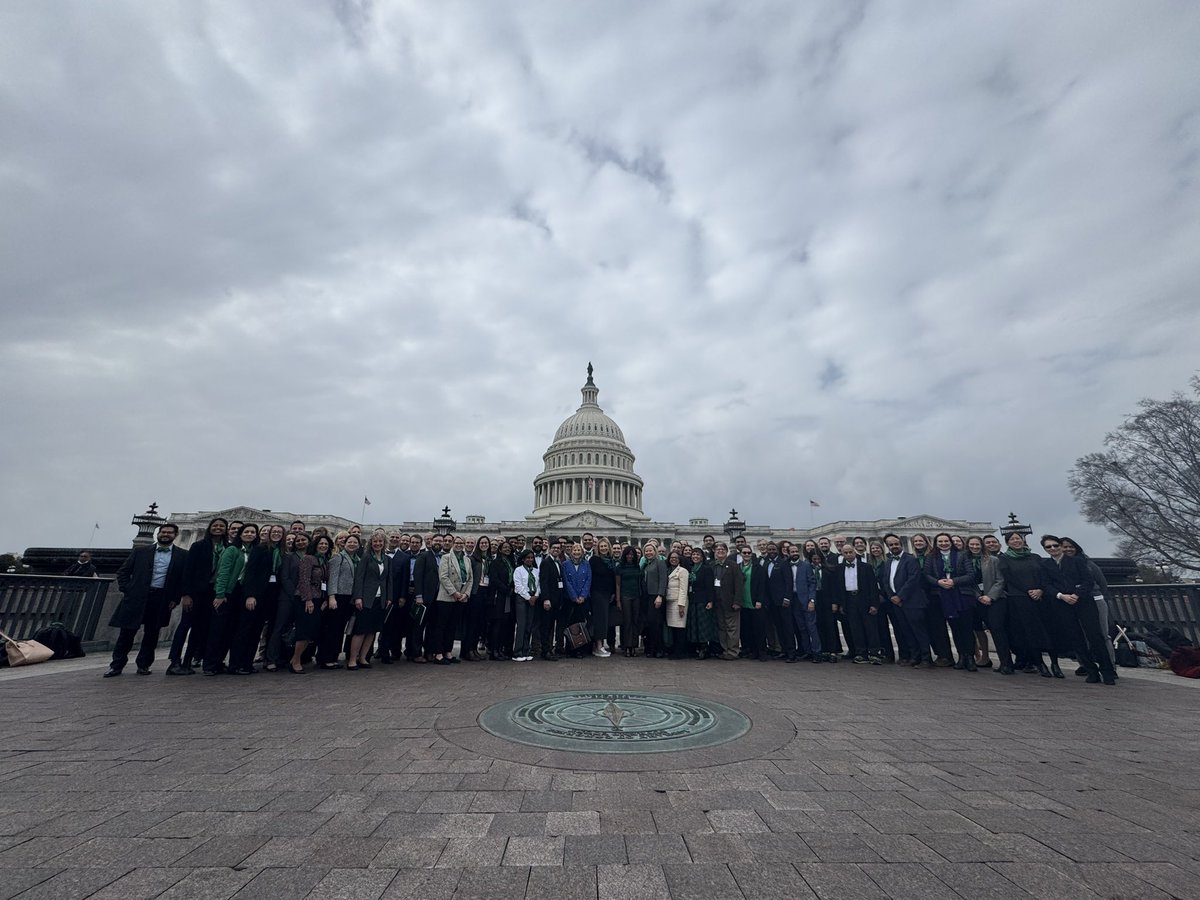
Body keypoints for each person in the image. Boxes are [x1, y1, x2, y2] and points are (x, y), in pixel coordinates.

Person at [104, 523, 187, 677]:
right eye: (163, 532)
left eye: (169, 532)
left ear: (175, 535)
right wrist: (127, 589)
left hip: (161, 597)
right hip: (137, 596)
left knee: (152, 634)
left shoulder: (182, 555)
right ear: (158, 533)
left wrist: (175, 599)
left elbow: (182, 580)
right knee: (126, 634)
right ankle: (116, 665)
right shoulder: (140, 551)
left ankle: (144, 665)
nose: (165, 534)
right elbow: (123, 572)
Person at [1041, 535, 1116, 685]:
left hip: (1084, 602)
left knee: (1095, 636)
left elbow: (1088, 581)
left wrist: (1076, 594)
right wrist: (1061, 596)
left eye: (1055, 545)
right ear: (1045, 549)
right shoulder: (1045, 565)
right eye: (1048, 547)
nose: (1053, 549)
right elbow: (1046, 585)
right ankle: (1091, 670)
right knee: (1075, 637)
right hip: (1062, 603)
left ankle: (1107, 671)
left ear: (1061, 546)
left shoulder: (1077, 561)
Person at [168, 517, 227, 675]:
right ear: (210, 528)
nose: (218, 528)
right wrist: (186, 594)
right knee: (185, 625)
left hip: (212, 592)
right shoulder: (198, 546)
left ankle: (188, 661)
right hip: (195, 592)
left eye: (222, 526)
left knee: (200, 628)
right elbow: (188, 571)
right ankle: (174, 661)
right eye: (215, 526)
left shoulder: (227, 547)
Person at [202, 522, 259, 676]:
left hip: (241, 593)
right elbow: (223, 573)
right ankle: (210, 664)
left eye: (252, 532)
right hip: (227, 592)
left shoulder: (253, 551)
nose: (249, 534)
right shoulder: (232, 550)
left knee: (233, 629)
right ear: (240, 534)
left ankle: (228, 663)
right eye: (246, 532)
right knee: (218, 629)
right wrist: (220, 594)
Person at [994, 532, 1054, 677]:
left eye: (1018, 538)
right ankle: (1038, 662)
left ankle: (1054, 663)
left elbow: (1043, 576)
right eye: (1012, 539)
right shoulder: (1004, 559)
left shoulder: (1035, 557)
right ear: (1007, 543)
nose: (1016, 541)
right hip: (1019, 598)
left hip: (1039, 597)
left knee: (1047, 629)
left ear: (1023, 540)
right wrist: (1028, 590)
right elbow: (1009, 579)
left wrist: (1040, 589)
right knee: (1028, 631)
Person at [1059, 537, 1117, 675]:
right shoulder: (1060, 565)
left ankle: (1110, 666)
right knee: (1079, 636)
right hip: (1071, 601)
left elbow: (1102, 583)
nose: (1068, 549)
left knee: (1102, 634)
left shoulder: (1088, 564)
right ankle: (1086, 664)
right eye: (1064, 547)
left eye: (1070, 546)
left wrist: (1100, 597)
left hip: (1094, 599)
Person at [923, 533, 978, 671]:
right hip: (943, 596)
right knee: (955, 628)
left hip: (962, 594)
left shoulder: (962, 555)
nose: (943, 543)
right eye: (940, 541)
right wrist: (938, 582)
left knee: (966, 627)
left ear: (950, 542)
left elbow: (971, 575)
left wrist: (954, 581)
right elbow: (926, 575)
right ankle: (961, 656)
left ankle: (970, 657)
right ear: (936, 543)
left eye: (946, 541)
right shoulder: (931, 557)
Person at [881, 533, 933, 668]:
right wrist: (892, 596)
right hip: (896, 603)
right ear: (887, 547)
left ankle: (926, 658)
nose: (894, 546)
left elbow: (913, 579)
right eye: (891, 545)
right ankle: (914, 656)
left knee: (919, 631)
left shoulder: (910, 559)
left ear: (901, 544)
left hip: (912, 601)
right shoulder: (888, 562)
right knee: (906, 631)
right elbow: (886, 581)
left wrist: (900, 596)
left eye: (896, 544)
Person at [832, 542, 883, 664]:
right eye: (846, 553)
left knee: (870, 627)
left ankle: (874, 653)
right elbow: (837, 588)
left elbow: (873, 586)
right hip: (849, 600)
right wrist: (840, 604)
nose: (849, 554)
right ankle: (861, 653)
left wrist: (874, 604)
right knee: (855, 628)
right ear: (842, 554)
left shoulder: (866, 567)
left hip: (864, 598)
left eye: (850, 552)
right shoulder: (839, 569)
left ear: (855, 552)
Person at [266, 530, 310, 672]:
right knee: (280, 627)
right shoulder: (289, 557)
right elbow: (284, 578)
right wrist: (295, 594)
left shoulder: (311, 557)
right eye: (298, 540)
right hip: (287, 597)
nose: (300, 542)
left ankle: (286, 658)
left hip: (304, 598)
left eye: (303, 540)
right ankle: (271, 658)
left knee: (295, 630)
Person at [349, 531, 391, 670]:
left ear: (384, 543)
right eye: (375, 541)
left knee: (372, 631)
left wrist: (389, 597)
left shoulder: (386, 559)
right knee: (361, 630)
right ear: (371, 543)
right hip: (366, 598)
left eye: (380, 541)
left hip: (380, 599)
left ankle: (363, 657)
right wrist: (358, 597)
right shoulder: (366, 557)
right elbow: (359, 578)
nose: (378, 544)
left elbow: (387, 580)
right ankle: (352, 659)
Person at [317, 532, 360, 670]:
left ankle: (333, 657)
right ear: (344, 544)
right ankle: (325, 658)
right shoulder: (338, 557)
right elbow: (332, 578)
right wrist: (331, 597)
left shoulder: (356, 559)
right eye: (349, 542)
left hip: (349, 597)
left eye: (355, 542)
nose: (352, 544)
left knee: (339, 628)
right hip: (338, 596)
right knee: (332, 628)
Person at [289, 534, 329, 673]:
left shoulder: (323, 560)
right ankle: (296, 660)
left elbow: (324, 582)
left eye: (326, 544)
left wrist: (324, 599)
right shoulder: (308, 559)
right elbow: (304, 580)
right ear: (315, 545)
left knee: (310, 631)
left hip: (318, 599)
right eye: (321, 544)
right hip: (306, 599)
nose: (323, 546)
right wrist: (308, 599)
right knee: (304, 631)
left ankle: (296, 658)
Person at [432, 535, 472, 664]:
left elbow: (470, 579)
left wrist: (466, 594)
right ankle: (438, 653)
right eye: (457, 543)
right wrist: (454, 592)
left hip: (461, 598)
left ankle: (448, 652)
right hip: (446, 597)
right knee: (441, 625)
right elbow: (443, 577)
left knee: (452, 626)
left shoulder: (467, 560)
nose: (459, 545)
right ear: (453, 544)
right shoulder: (446, 557)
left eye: (461, 543)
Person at [966, 536, 1004, 669]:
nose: (975, 547)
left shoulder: (992, 560)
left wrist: (990, 596)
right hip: (975, 598)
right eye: (972, 545)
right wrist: (978, 596)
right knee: (977, 628)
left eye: (977, 544)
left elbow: (1000, 580)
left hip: (991, 598)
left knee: (996, 628)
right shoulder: (965, 561)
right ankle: (984, 657)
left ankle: (1005, 661)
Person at [410, 534, 443, 663]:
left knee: (433, 626)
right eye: (436, 540)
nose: (438, 543)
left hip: (438, 597)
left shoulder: (442, 557)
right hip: (424, 597)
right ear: (430, 542)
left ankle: (429, 651)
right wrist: (419, 596)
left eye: (440, 541)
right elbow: (417, 577)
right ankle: (416, 653)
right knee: (419, 627)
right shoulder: (423, 556)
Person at [763, 542, 797, 662]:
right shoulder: (766, 563)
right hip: (772, 602)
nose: (771, 551)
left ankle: (792, 652)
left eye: (773, 549)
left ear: (777, 550)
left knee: (788, 627)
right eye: (769, 549)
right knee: (779, 627)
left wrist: (787, 597)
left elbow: (789, 581)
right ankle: (784, 650)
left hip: (783, 601)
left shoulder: (783, 563)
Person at [685, 547, 718, 659]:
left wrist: (710, 601)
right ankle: (697, 647)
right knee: (694, 625)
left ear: (702, 557)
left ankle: (704, 648)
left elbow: (710, 586)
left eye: (698, 555)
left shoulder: (706, 569)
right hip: (692, 600)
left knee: (703, 625)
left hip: (703, 600)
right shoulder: (690, 569)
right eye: (693, 554)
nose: (695, 556)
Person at [464, 536, 494, 661]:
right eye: (482, 543)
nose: (484, 545)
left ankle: (474, 649)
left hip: (486, 591)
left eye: (486, 543)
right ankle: (467, 650)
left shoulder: (490, 559)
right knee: (472, 622)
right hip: (476, 591)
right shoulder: (473, 559)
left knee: (480, 623)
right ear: (478, 545)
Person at [537, 538, 566, 661]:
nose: (556, 550)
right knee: (547, 627)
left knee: (551, 626)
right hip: (549, 600)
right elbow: (543, 582)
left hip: (557, 600)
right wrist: (546, 599)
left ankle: (549, 649)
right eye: (554, 548)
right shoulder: (546, 562)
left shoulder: (558, 562)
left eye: (558, 548)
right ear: (549, 549)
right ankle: (546, 651)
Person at [561, 543, 592, 658]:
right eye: (574, 550)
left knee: (581, 625)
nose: (576, 552)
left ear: (582, 552)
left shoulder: (586, 564)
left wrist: (583, 596)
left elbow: (588, 580)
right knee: (570, 624)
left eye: (579, 550)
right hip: (570, 599)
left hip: (583, 599)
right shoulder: (565, 564)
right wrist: (574, 597)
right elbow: (566, 581)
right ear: (571, 551)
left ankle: (581, 649)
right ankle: (570, 648)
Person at [488, 539, 516, 660]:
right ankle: (494, 650)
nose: (507, 549)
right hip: (498, 596)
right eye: (504, 547)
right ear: (500, 549)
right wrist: (506, 589)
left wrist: (512, 588)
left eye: (509, 548)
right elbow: (494, 579)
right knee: (497, 623)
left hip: (508, 597)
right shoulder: (495, 562)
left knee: (505, 623)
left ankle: (500, 649)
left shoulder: (511, 563)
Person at [589, 538, 617, 658]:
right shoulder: (594, 560)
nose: (604, 548)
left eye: (605, 546)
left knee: (605, 620)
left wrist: (613, 593)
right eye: (601, 547)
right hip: (597, 593)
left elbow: (612, 579)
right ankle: (598, 646)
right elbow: (590, 578)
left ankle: (599, 645)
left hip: (607, 594)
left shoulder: (610, 561)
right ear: (598, 548)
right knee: (600, 620)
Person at [642, 542, 669, 658]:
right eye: (646, 551)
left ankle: (659, 649)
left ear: (655, 551)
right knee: (650, 623)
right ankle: (652, 648)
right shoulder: (646, 564)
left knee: (656, 623)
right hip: (647, 596)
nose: (648, 553)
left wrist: (660, 595)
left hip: (656, 596)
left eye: (650, 550)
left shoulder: (660, 562)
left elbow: (663, 579)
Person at [512, 549, 539, 662]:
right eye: (527, 558)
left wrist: (535, 596)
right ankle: (517, 652)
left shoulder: (536, 571)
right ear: (523, 559)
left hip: (533, 598)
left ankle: (526, 650)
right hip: (522, 599)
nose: (530, 560)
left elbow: (539, 584)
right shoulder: (518, 570)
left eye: (531, 558)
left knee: (529, 626)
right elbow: (518, 586)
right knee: (521, 626)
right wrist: (528, 597)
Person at [616, 546, 642, 657]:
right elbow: (617, 584)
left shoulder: (637, 567)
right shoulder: (620, 567)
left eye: (632, 554)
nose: (630, 556)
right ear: (624, 555)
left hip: (636, 595)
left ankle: (634, 647)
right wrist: (618, 600)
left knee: (635, 621)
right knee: (627, 621)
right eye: (628, 554)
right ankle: (626, 646)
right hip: (625, 596)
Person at [665, 550, 689, 659]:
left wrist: (681, 605)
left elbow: (683, 589)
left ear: (679, 559)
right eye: (671, 558)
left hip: (678, 602)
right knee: (673, 628)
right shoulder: (668, 570)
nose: (673, 559)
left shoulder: (683, 571)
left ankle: (679, 652)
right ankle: (675, 650)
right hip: (670, 602)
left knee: (679, 628)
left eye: (675, 558)